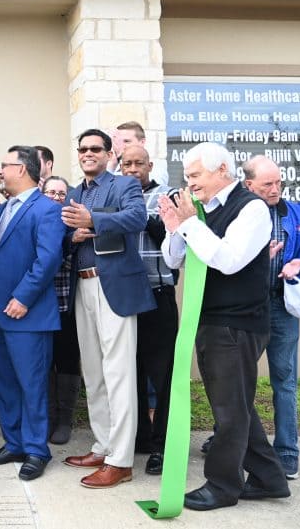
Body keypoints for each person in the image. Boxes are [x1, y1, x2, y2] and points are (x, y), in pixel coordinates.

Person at [160, 142, 290, 511]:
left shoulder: (251, 209)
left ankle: (222, 485)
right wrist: (176, 227)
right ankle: (268, 478)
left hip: (237, 325)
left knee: (229, 411)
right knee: (236, 405)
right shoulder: (201, 211)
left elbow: (228, 261)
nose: (190, 183)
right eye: (187, 177)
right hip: (210, 321)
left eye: (195, 175)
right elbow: (174, 260)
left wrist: (189, 223)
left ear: (222, 171)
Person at [60, 128, 155, 490]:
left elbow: (136, 220)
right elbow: (64, 236)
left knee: (118, 373)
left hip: (113, 284)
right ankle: (102, 446)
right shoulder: (73, 192)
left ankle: (121, 460)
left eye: (95, 149)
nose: (88, 153)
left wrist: (93, 222)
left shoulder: (123, 185)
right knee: (94, 372)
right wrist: (74, 236)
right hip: (83, 285)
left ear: (108, 153)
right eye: (82, 148)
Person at [0, 146, 65, 482]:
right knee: (6, 383)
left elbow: (47, 260)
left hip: (25, 313)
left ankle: (36, 450)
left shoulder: (46, 209)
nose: (0, 170)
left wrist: (24, 297)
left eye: (5, 165)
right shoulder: (0, 212)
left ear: (24, 169)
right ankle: (13, 442)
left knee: (32, 384)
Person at [243, 155, 300, 480]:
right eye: (267, 184)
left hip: (282, 307)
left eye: (278, 182)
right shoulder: (239, 216)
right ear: (249, 185)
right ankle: (231, 438)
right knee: (236, 380)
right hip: (246, 307)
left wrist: (297, 269)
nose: (275, 189)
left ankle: (287, 452)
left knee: (285, 382)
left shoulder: (296, 214)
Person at [120, 145, 178, 476]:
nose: (132, 168)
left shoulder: (166, 196)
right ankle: (141, 437)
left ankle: (162, 445)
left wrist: (136, 214)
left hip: (157, 292)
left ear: (149, 165)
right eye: (126, 163)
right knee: (131, 371)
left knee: (163, 373)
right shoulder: (113, 193)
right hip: (124, 294)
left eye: (138, 163)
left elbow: (169, 235)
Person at [41, 175, 81, 445]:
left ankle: (65, 419)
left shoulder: (74, 227)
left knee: (66, 362)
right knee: (44, 364)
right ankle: (49, 417)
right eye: (51, 192)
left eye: (61, 193)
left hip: (67, 305)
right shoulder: (38, 223)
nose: (56, 197)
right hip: (40, 307)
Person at [107, 121, 169, 186]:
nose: (122, 146)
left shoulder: (157, 167)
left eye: (127, 141)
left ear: (142, 142)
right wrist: (111, 166)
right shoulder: (113, 167)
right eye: (118, 142)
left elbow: (151, 189)